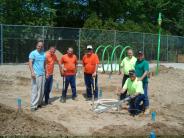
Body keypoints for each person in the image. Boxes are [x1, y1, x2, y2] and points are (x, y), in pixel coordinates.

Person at [28, 40, 45, 111]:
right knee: (35, 90)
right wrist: (32, 72)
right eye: (39, 46)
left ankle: (39, 103)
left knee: (41, 90)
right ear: (36, 46)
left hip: (42, 74)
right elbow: (30, 63)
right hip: (36, 74)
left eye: (41, 46)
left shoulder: (43, 53)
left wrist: (45, 72)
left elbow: (44, 64)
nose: (40, 47)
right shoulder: (33, 53)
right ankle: (33, 105)